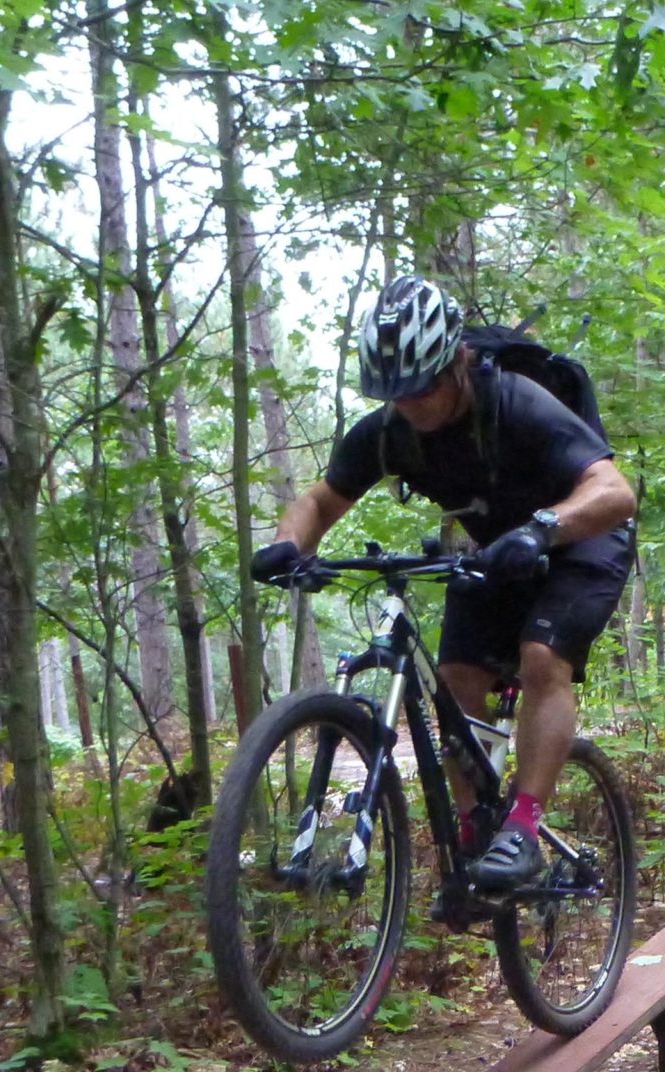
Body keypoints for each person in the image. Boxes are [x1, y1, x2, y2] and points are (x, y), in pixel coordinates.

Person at [248, 276, 638, 891]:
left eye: (424, 387)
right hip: (495, 550)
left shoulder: (516, 404)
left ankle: (524, 830)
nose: (415, 405)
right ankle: (473, 828)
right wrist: (286, 546)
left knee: (542, 658)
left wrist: (541, 530)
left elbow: (614, 492)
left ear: (455, 362)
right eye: (397, 393)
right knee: (455, 682)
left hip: (582, 536)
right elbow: (321, 501)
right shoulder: (388, 432)